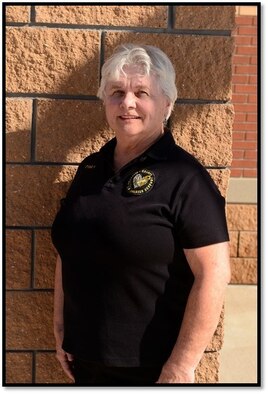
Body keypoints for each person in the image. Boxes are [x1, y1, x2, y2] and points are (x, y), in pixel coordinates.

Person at [51, 43, 231, 386]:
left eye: (141, 92)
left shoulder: (185, 177)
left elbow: (215, 273)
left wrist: (181, 365)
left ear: (166, 104)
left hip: (150, 369)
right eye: (117, 92)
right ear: (105, 101)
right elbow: (68, 251)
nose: (127, 103)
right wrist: (60, 331)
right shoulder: (90, 169)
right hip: (84, 362)